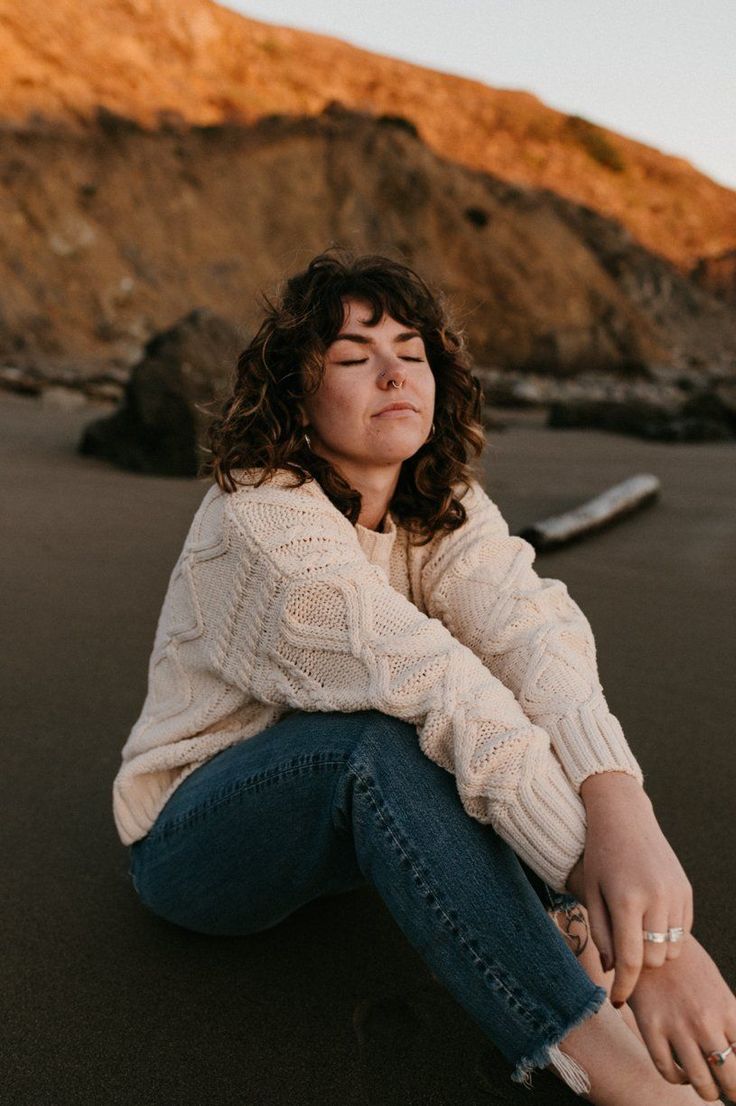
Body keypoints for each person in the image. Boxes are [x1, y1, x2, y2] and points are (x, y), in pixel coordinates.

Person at [114, 247, 736, 1103]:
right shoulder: (260, 522)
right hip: (202, 841)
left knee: (498, 702)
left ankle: (585, 937)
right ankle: (604, 1058)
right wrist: (663, 950)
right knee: (384, 734)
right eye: (352, 356)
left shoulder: (440, 503)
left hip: (351, 834)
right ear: (297, 391)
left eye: (412, 352)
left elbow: (532, 635)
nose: (393, 373)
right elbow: (443, 685)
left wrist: (619, 800)